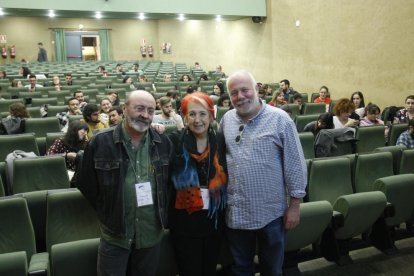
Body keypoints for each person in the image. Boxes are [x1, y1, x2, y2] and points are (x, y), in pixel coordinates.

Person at [77, 90, 173, 276]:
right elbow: (85, 183)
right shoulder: (100, 143)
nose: (145, 115)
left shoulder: (163, 143)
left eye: (151, 111)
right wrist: (107, 209)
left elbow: (168, 183)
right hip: (115, 234)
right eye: (139, 109)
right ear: (124, 109)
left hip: (150, 234)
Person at [220, 70, 307, 275]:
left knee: (272, 269)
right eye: (234, 93)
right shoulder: (226, 120)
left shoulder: (280, 119)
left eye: (245, 90)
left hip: (271, 214)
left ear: (256, 89)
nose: (240, 96)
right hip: (237, 212)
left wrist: (295, 205)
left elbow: (295, 164)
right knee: (241, 268)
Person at [168, 92, 227, 276]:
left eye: (203, 114)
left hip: (214, 218)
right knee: (189, 270)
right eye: (192, 114)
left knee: (209, 269)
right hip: (184, 221)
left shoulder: (220, 140)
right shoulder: (173, 140)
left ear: (211, 115)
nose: (197, 119)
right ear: (184, 117)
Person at [47, 120, 89, 185]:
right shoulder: (61, 141)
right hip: (62, 172)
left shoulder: (85, 143)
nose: (86, 133)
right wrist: (66, 156)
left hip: (79, 173)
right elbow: (49, 156)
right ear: (74, 132)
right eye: (83, 131)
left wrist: (88, 144)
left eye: (87, 131)